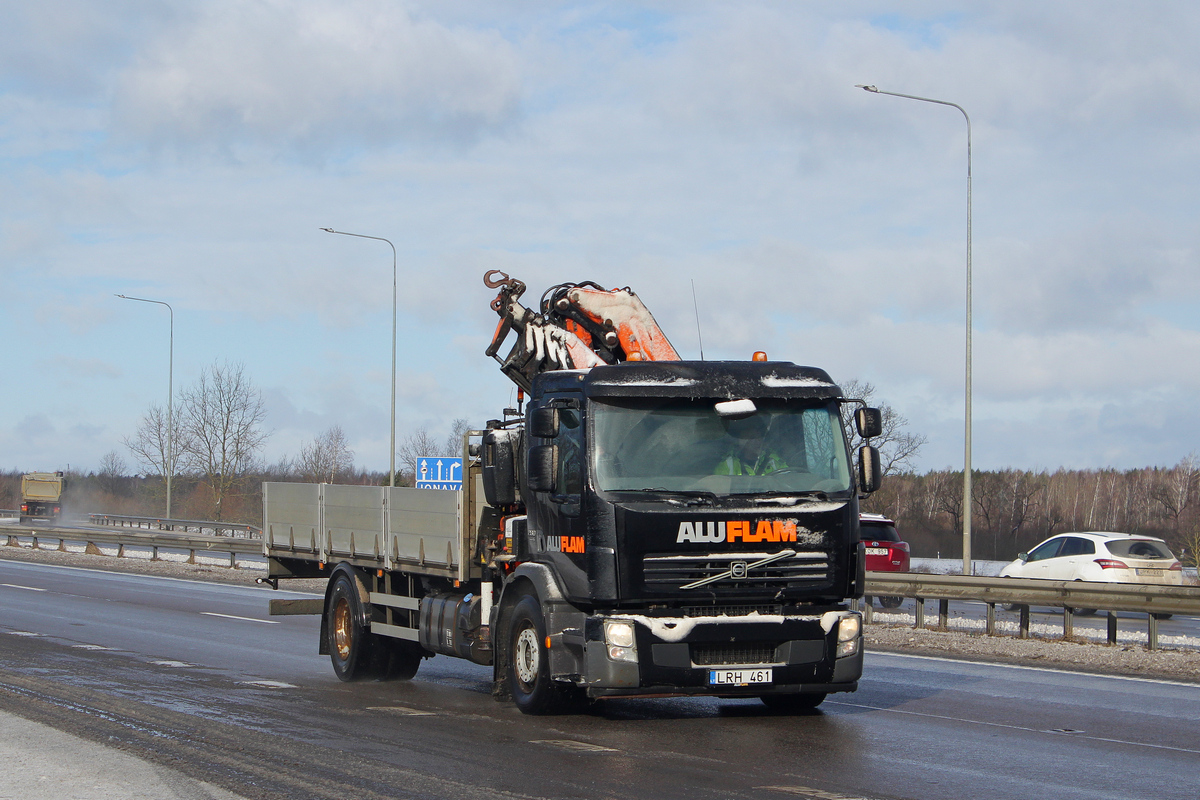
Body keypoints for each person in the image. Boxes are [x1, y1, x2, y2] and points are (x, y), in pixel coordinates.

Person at [714, 415, 788, 475]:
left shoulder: (774, 461)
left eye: (760, 437)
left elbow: (788, 482)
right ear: (742, 441)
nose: (759, 441)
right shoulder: (727, 465)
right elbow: (720, 490)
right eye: (753, 437)